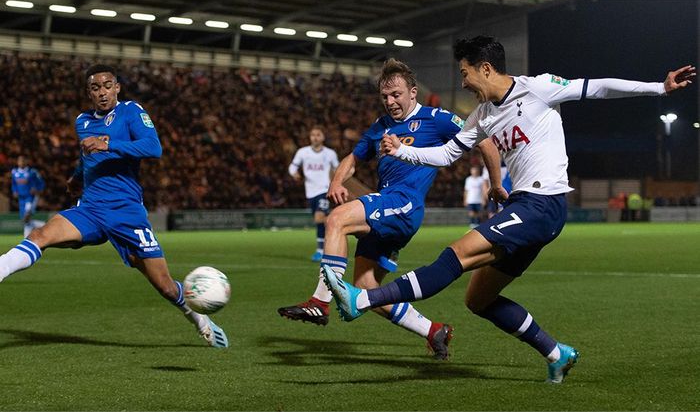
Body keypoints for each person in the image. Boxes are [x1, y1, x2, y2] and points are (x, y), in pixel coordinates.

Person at [322, 35, 695, 382]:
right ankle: (556, 354)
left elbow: (596, 87)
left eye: (465, 73)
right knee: (478, 299)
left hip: (543, 203)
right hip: (524, 206)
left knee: (456, 255)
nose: (463, 83)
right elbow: (448, 153)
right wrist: (403, 151)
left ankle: (364, 298)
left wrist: (658, 88)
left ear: (485, 68)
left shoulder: (538, 87)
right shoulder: (483, 115)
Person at [278, 58, 502, 360]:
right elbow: (353, 158)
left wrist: (497, 184)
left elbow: (484, 141)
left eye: (396, 94)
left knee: (338, 219)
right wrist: (337, 181)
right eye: (385, 96)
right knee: (365, 288)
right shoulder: (379, 127)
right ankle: (434, 331)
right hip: (389, 204)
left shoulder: (436, 118)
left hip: (404, 203)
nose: (390, 101)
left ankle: (320, 302)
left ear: (413, 92)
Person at [0, 64, 228, 348]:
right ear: (89, 93)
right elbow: (87, 155)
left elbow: (153, 147)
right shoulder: (82, 121)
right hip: (91, 209)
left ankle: (200, 320)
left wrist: (110, 144)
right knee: (39, 236)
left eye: (107, 85)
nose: (102, 92)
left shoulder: (131, 111)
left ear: (117, 87)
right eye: (95, 88)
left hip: (127, 213)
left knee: (165, 286)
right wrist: (77, 177)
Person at [288, 126, 339, 261]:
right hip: (310, 191)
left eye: (318, 134)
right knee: (320, 222)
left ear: (323, 137)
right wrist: (294, 173)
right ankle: (332, 226)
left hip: (324, 190)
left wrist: (336, 182)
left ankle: (321, 250)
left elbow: (338, 169)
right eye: (313, 135)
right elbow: (292, 166)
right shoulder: (303, 152)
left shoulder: (330, 154)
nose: (315, 137)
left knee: (318, 218)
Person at [11, 155, 46, 237]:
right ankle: (44, 225)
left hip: (30, 198)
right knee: (26, 220)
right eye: (20, 161)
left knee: (27, 216)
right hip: (21, 199)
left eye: (23, 161)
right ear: (17, 162)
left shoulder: (32, 172)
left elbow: (41, 182)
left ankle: (26, 238)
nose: (21, 162)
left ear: (26, 162)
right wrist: (14, 191)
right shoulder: (14, 172)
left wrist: (38, 190)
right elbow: (13, 184)